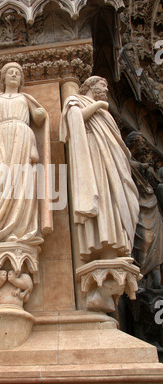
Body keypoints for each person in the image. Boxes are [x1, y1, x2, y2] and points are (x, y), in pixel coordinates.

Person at [0, 62, 53, 250]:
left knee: (22, 183)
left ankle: (19, 231)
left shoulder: (26, 98)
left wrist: (41, 114)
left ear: (21, 79)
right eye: (10, 72)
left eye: (17, 73)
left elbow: (39, 119)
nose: (14, 75)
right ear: (3, 78)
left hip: (23, 136)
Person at [60, 76, 139, 261]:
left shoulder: (105, 112)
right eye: (103, 85)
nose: (107, 89)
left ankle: (118, 244)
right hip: (93, 153)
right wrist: (98, 107)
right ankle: (103, 246)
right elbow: (74, 121)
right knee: (102, 195)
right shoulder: (75, 100)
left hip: (111, 159)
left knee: (114, 196)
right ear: (90, 86)